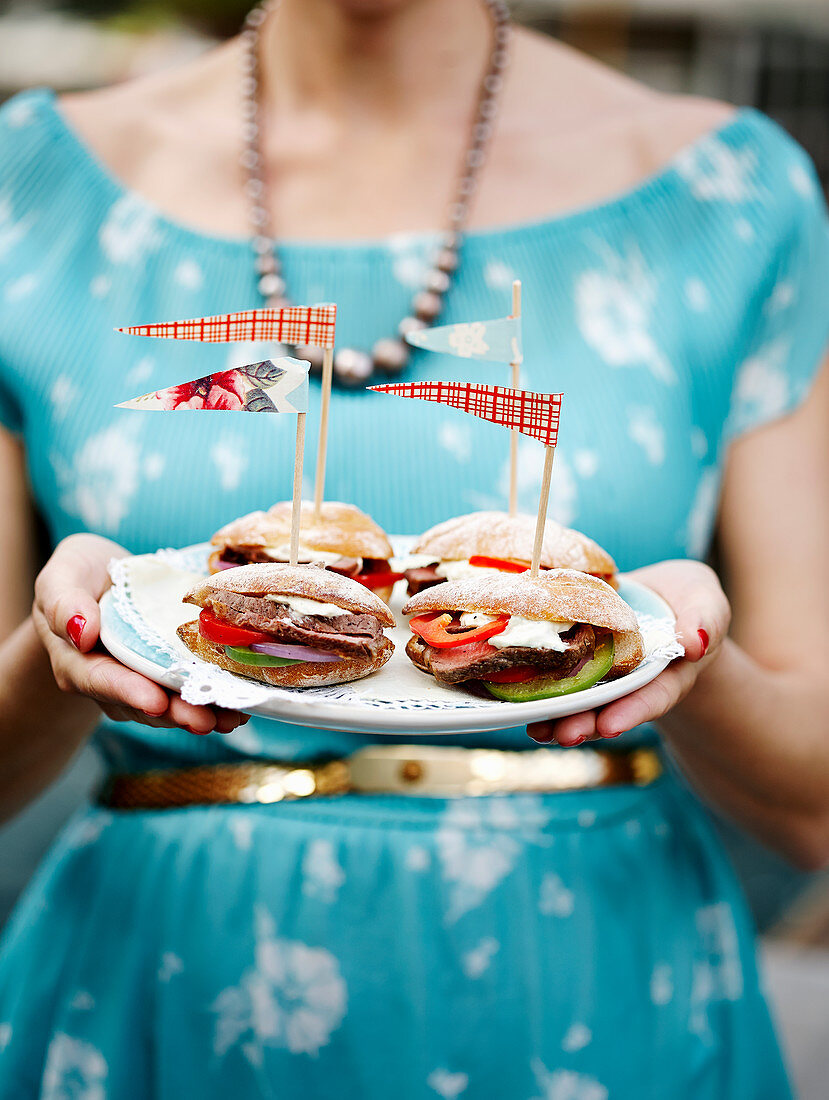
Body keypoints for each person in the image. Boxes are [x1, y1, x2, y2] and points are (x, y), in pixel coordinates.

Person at [0, 0, 827, 1095]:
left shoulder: (732, 195)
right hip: (162, 977)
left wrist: (671, 649)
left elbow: (814, 805)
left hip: (592, 985)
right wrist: (77, 646)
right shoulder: (28, 185)